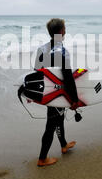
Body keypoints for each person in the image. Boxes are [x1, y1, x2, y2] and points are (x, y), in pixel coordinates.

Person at [34, 18, 79, 167]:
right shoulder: (62, 52)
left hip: (48, 92)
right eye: (64, 28)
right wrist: (74, 99)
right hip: (59, 92)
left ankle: (64, 145)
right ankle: (42, 158)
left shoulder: (41, 49)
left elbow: (37, 71)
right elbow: (68, 77)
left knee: (58, 118)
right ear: (61, 32)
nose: (66, 30)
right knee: (51, 125)